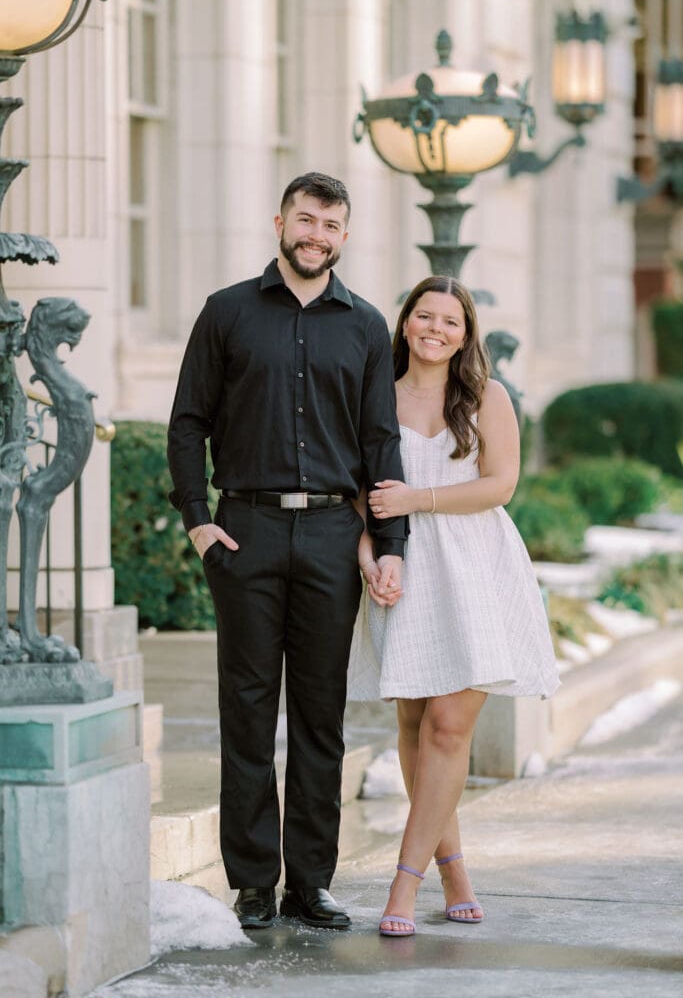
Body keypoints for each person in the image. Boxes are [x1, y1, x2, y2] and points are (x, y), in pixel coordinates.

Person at [167, 172, 408, 931]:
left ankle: (310, 881)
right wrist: (199, 522)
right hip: (247, 530)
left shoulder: (366, 326)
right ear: (280, 222)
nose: (316, 236)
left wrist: (389, 542)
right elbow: (187, 423)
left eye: (330, 225)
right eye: (305, 220)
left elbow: (379, 439)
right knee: (245, 710)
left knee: (319, 716)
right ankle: (250, 882)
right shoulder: (227, 312)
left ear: (345, 235)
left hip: (334, 537)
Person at [347, 275, 560, 937]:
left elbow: (499, 485)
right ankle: (454, 872)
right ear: (405, 322)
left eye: (450, 321)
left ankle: (402, 885)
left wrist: (418, 500)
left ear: (465, 334)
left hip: (476, 566)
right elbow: (356, 491)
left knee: (447, 725)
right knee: (414, 724)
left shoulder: (485, 396)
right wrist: (369, 556)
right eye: (424, 316)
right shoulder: (372, 394)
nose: (435, 329)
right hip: (400, 564)